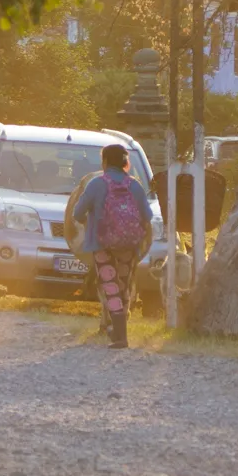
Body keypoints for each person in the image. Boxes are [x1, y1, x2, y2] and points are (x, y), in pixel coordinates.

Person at [72, 144, 153, 349]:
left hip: (102, 244)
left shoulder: (96, 184)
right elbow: (148, 216)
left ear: (105, 162)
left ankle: (119, 335)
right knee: (124, 286)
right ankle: (120, 333)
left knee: (110, 286)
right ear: (125, 162)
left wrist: (87, 222)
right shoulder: (134, 185)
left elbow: (77, 213)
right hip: (129, 244)